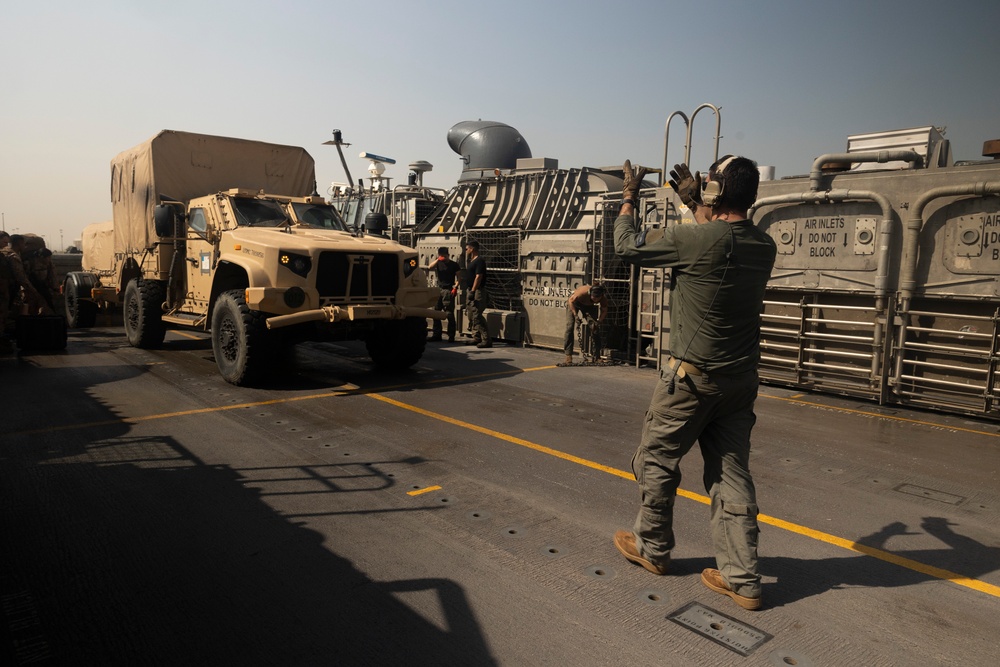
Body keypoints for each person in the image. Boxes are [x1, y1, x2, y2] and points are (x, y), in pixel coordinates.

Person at [611, 155, 777, 611]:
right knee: (730, 472)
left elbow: (625, 246)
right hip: (739, 382)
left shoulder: (694, 238)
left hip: (690, 380)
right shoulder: (764, 246)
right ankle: (742, 578)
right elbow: (722, 235)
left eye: (708, 183)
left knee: (658, 460)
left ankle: (652, 548)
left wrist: (628, 197)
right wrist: (695, 203)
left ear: (716, 192)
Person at [563, 283, 608, 365]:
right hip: (574, 304)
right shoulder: (582, 293)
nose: (595, 299)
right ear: (590, 293)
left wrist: (599, 321)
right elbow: (571, 300)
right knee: (569, 326)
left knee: (595, 328)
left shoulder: (603, 299)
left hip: (588, 306)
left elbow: (604, 310)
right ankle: (568, 355)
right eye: (593, 297)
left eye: (597, 298)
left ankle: (597, 356)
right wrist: (575, 315)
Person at [427, 247, 460, 342]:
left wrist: (455, 287)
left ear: (448, 255)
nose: (443, 258)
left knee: (449, 313)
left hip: (448, 289)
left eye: (444, 256)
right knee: (436, 312)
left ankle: (451, 335)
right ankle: (437, 334)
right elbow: (429, 267)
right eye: (441, 256)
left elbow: (459, 277)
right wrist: (438, 259)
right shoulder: (439, 263)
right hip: (439, 289)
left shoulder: (454, 265)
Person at [463, 240, 491, 348]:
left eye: (467, 249)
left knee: (477, 315)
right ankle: (476, 337)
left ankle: (486, 339)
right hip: (470, 289)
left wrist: (473, 291)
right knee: (470, 314)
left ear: (472, 249)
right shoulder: (471, 260)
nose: (466, 251)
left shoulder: (479, 261)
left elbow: (478, 277)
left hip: (477, 291)